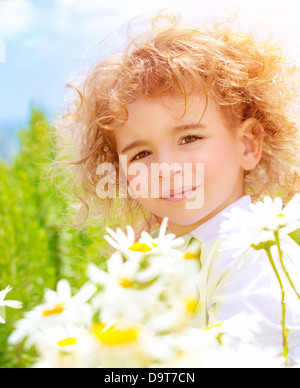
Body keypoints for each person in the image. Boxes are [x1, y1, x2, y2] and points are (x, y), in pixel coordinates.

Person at [55, 12, 300, 364]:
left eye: (189, 137)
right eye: (141, 153)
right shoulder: (153, 264)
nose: (166, 169)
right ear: (122, 174)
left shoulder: (254, 257)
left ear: (247, 144)